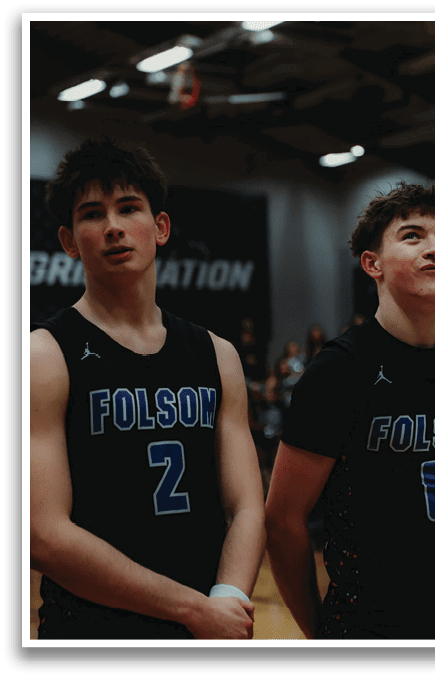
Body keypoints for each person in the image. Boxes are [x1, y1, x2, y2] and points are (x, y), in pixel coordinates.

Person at [30, 137, 266, 640]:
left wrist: (225, 600)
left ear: (160, 228)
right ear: (70, 242)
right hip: (90, 633)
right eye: (92, 214)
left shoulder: (216, 354)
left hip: (204, 627)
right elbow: (44, 535)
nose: (113, 226)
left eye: (129, 208)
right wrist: (192, 609)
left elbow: (246, 505)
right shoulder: (42, 356)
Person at [264, 181, 435, 640]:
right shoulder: (337, 371)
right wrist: (320, 632)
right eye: (412, 236)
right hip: (365, 629)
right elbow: (282, 519)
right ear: (372, 264)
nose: (434, 248)